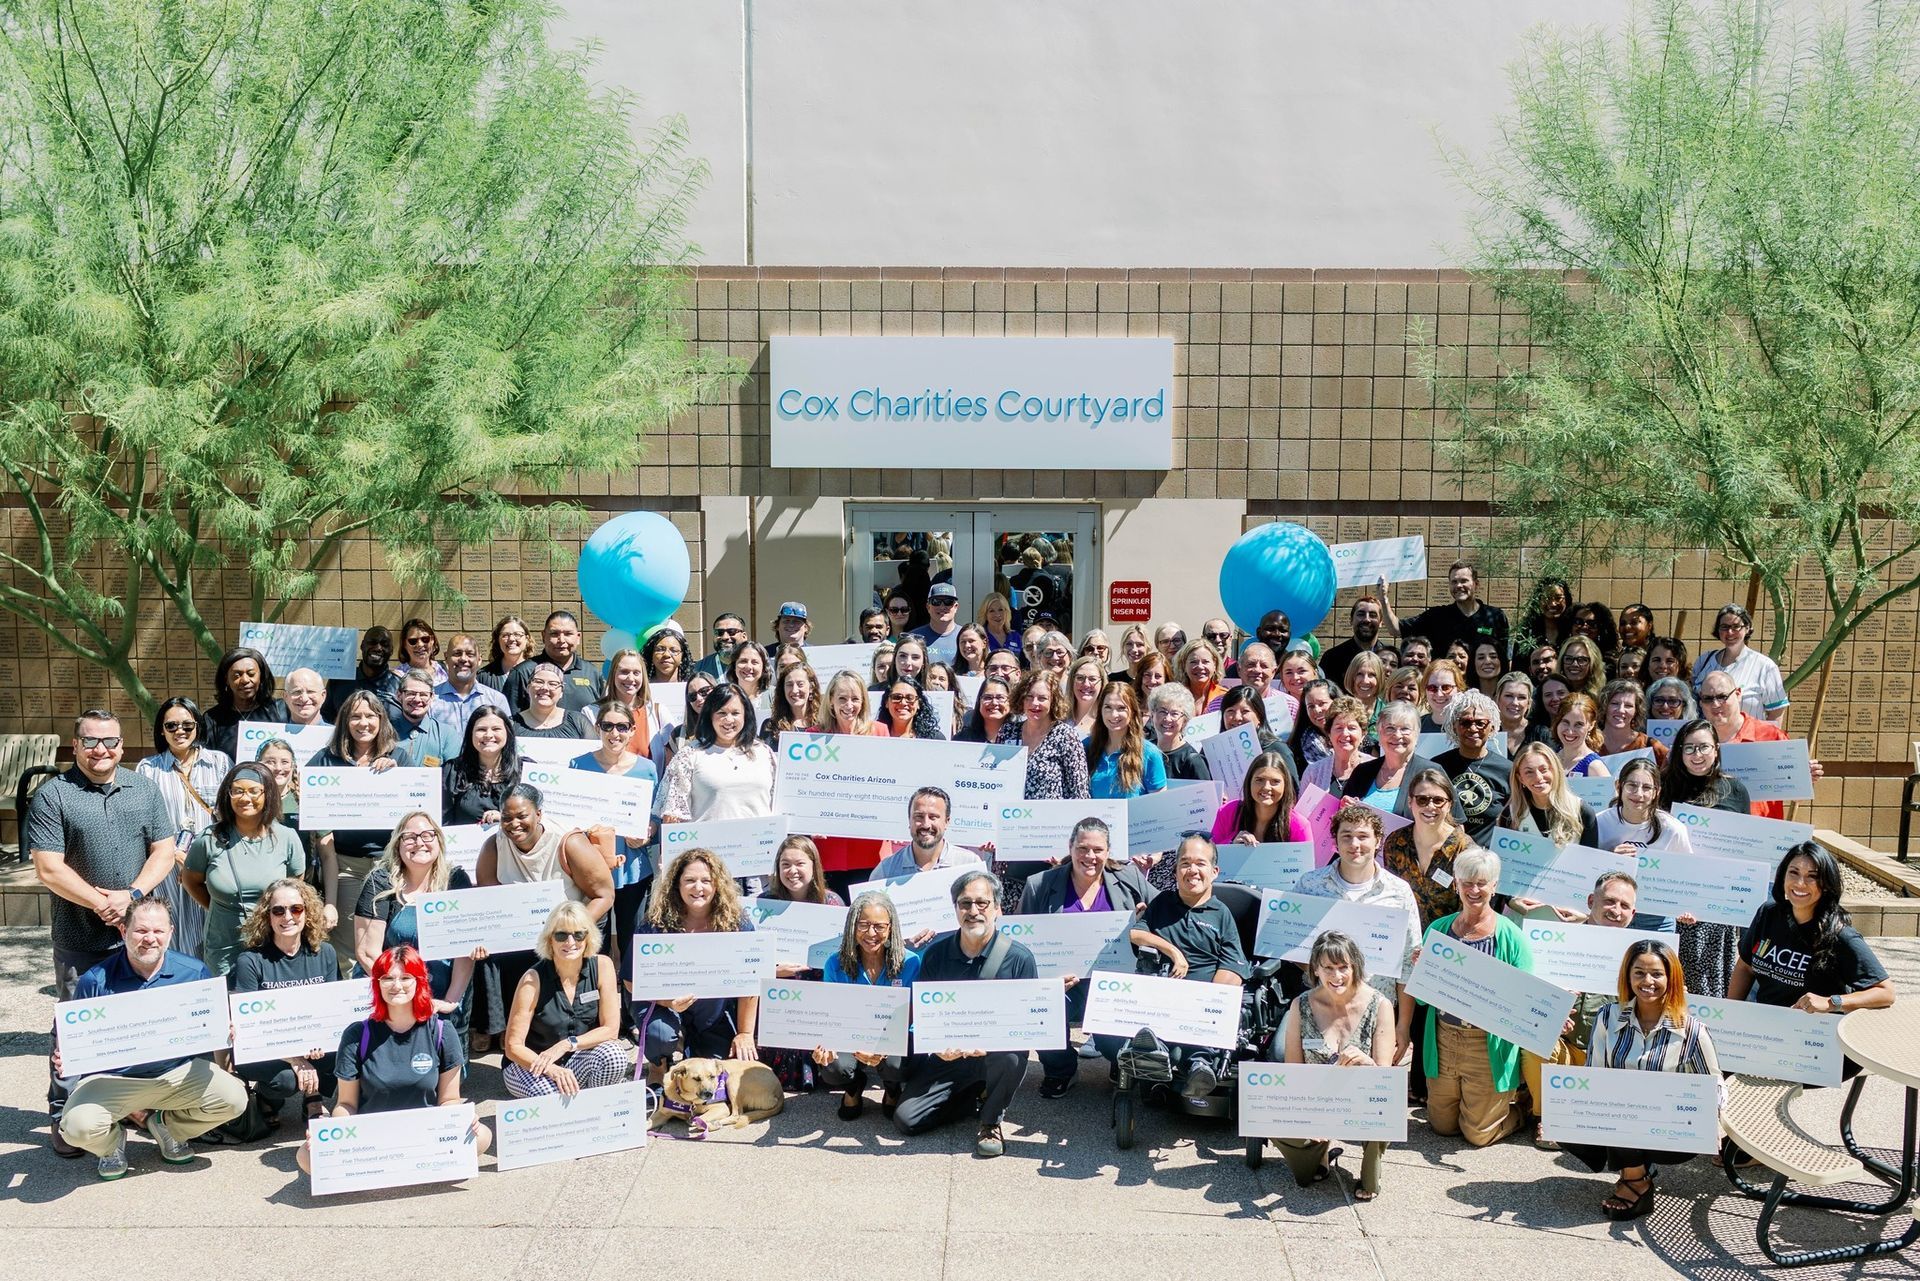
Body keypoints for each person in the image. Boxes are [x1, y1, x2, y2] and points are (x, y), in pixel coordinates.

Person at [29, 706, 179, 1156]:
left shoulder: (143, 788)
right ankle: (63, 1113)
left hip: (139, 936)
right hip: (80, 937)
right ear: (74, 745)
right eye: (92, 741)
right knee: (76, 1027)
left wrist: (130, 897)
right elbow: (48, 869)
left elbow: (165, 852)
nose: (102, 749)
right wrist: (102, 904)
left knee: (141, 1023)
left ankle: (133, 1106)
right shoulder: (53, 795)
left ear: (121, 745)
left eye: (111, 741)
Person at [54, 897, 248, 1178]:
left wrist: (223, 1029)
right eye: (141, 931)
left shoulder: (194, 973)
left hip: (176, 1073)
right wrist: (68, 1056)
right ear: (124, 932)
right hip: (115, 1080)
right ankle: (111, 1145)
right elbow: (74, 1039)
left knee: (233, 1099)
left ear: (171, 933)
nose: (150, 939)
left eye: (158, 931)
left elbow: (210, 1027)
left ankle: (167, 1126)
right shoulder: (95, 980)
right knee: (76, 1128)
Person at [1563, 940, 1721, 1220]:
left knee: (1628, 1108)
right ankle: (1637, 1177)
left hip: (1670, 1129)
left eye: (1657, 974)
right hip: (1619, 1117)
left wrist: (1715, 1122)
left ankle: (1635, 1181)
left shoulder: (1693, 1030)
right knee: (1573, 1117)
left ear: (1671, 978)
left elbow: (1714, 1082)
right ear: (1628, 976)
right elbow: (1594, 1073)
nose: (1647, 981)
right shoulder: (1608, 1017)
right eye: (1639, 973)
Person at [298, 945, 488, 1176]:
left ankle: (404, 1168)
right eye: (387, 978)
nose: (396, 985)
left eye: (406, 977)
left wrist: (461, 1121)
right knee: (306, 1155)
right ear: (377, 983)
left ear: (419, 981)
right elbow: (346, 1104)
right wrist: (334, 1134)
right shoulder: (357, 1035)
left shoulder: (441, 1031)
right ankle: (387, 1169)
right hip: (372, 1137)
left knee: (482, 1136)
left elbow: (448, 1099)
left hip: (423, 1134)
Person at [895, 869, 1038, 1156]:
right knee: (906, 1119)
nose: (973, 911)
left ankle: (990, 1120)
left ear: (997, 908)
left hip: (995, 1056)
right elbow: (925, 1017)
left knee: (1012, 1056)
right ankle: (975, 1097)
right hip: (950, 1056)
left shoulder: (1020, 958)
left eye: (982, 903)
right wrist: (938, 1047)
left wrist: (991, 1045)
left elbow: (1029, 1023)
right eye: (965, 903)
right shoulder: (936, 954)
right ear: (956, 909)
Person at [1019, 817, 1155, 1097]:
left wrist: (1144, 919)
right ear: (1070, 848)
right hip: (1062, 984)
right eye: (1082, 848)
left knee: (1112, 1038)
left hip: (1113, 982)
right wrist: (1045, 978)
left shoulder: (1128, 879)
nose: (1089, 856)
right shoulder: (1040, 884)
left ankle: (1120, 1062)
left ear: (1108, 851)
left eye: (1098, 849)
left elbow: (1163, 910)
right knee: (1041, 1013)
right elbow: (1021, 940)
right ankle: (1061, 1071)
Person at [1263, 930, 1398, 1199]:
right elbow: (1294, 1072)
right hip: (1316, 1096)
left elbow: (1386, 1077)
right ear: (1316, 969)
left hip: (1362, 1097)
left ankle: (1371, 1171)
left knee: (1388, 1107)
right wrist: (1310, 1116)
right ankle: (1318, 1156)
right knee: (1270, 1121)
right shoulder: (1300, 1005)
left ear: (1355, 966)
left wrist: (1368, 1064)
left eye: (1343, 968)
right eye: (1328, 968)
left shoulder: (1379, 1005)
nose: (1336, 977)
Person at [1118, 834, 1248, 1102]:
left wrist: (1206, 1000)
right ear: (1175, 870)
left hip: (1203, 999)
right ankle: (1157, 1061)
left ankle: (1199, 1068)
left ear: (1214, 872)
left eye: (1200, 863)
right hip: (1164, 991)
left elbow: (1233, 968)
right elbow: (1137, 934)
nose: (1192, 871)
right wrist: (1173, 952)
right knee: (1154, 1025)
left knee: (1203, 1029)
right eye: (1185, 863)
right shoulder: (1163, 902)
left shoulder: (1221, 914)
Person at [1418, 845, 1533, 1147]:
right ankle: (1481, 1105)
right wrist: (1422, 972)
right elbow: (1421, 1000)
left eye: (1482, 882)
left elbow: (1524, 998)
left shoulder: (1511, 937)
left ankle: (1522, 1108)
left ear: (1495, 887)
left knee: (1478, 1135)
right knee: (1442, 1127)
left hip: (1485, 1044)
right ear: (1456, 883)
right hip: (1444, 1039)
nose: (1474, 889)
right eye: (1467, 881)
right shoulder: (1438, 930)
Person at [1522, 871, 1644, 1148]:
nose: (1616, 911)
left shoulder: (1642, 956)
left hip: (1612, 1059)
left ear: (1633, 913)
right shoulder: (1557, 944)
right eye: (1610, 902)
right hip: (1567, 1051)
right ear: (1591, 901)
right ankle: (1550, 1116)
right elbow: (1528, 998)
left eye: (1625, 906)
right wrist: (1551, 1006)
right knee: (1535, 1041)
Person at [1729, 843, 1895, 1025]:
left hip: (1813, 1040)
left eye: (1812, 876)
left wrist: (1832, 1002)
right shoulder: (1768, 913)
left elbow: (1885, 992)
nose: (1800, 883)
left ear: (1826, 884)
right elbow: (1745, 966)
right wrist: (1731, 1016)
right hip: (1765, 1031)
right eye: (1794, 872)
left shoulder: (1840, 935)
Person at [353, 812, 478, 1033]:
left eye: (427, 835)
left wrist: (449, 1002)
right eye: (409, 837)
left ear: (439, 841)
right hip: (392, 994)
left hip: (445, 990)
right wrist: (403, 996)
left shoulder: (456, 880)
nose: (419, 842)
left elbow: (464, 948)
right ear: (397, 844)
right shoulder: (380, 882)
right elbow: (367, 953)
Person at [636, 848, 760, 1067]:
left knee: (716, 1067)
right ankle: (659, 1063)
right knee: (660, 1036)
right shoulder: (655, 922)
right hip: (666, 1006)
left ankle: (691, 1042)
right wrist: (668, 1002)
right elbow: (630, 980)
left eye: (706, 880)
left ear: (717, 885)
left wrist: (745, 1033)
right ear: (677, 884)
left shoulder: (737, 923)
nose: (698, 887)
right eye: (690, 880)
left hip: (712, 1012)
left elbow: (751, 978)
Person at [231, 878, 340, 1124]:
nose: (287, 916)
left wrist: (320, 1040)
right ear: (267, 916)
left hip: (314, 1041)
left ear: (308, 912)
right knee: (285, 1081)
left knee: (343, 1050)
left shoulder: (326, 953)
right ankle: (268, 1097)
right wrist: (294, 1057)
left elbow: (333, 1010)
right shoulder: (250, 960)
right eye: (278, 910)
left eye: (296, 909)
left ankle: (314, 1098)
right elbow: (249, 1026)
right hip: (265, 1046)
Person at [181, 762, 305, 975]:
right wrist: (220, 906)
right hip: (224, 943)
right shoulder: (208, 839)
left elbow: (294, 889)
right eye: (237, 791)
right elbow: (190, 880)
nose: (245, 798)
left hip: (273, 941)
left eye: (254, 791)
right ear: (227, 795)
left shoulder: (287, 838)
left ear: (268, 794)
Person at [1293, 808, 1420, 1016]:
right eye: (1347, 836)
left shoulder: (1399, 892)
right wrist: (1329, 976)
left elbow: (1408, 962)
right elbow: (1290, 944)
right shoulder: (1309, 885)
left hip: (1377, 1010)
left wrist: (1403, 1025)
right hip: (1319, 1007)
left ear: (1378, 840)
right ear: (1335, 841)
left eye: (1363, 837)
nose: (1355, 845)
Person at [135, 697, 233, 960]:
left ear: (198, 728)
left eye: (187, 725)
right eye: (172, 726)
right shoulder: (148, 769)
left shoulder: (220, 763)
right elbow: (145, 821)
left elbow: (230, 815)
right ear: (161, 730)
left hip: (212, 863)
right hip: (168, 866)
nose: (180, 731)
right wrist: (175, 855)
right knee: (174, 928)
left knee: (212, 924)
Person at [502, 901, 631, 1098]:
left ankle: (594, 1109)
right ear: (550, 940)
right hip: (532, 1064)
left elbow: (611, 1030)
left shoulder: (603, 966)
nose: (570, 942)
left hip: (577, 1057)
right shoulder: (532, 979)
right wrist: (551, 1070)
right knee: (551, 1094)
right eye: (561, 935)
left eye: (578, 934)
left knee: (614, 1055)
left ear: (588, 938)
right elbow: (513, 1047)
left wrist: (567, 1044)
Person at [811, 890, 921, 1119]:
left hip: (893, 1035)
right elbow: (831, 1014)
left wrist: (881, 1046)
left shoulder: (910, 962)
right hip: (849, 1034)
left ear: (891, 928)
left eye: (879, 926)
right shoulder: (835, 963)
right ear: (852, 926)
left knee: (897, 1064)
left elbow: (911, 1017)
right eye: (863, 925)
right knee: (832, 1066)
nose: (871, 933)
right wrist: (848, 1045)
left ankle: (892, 1090)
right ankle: (853, 1087)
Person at [1662, 719, 1752, 995]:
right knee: (1673, 976)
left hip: (1716, 900)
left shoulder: (1735, 789)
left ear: (1716, 750)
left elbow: (1745, 847)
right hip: (1675, 896)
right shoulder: (1664, 786)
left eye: (1703, 747)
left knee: (1709, 978)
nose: (1697, 755)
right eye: (1689, 748)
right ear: (1678, 751)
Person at [309, 690, 399, 959]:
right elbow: (306, 798)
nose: (364, 723)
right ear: (344, 722)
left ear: (381, 720)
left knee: (391, 943)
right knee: (349, 947)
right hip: (347, 866)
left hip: (391, 865)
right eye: (356, 716)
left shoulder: (399, 758)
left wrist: (397, 774)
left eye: (371, 716)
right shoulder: (326, 759)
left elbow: (417, 808)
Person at [573, 700, 660, 961]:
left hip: (633, 868)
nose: (615, 733)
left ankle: (631, 1000)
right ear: (598, 728)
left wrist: (648, 832)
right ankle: (593, 999)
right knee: (591, 942)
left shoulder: (647, 769)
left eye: (622, 727)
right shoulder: (578, 766)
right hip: (591, 869)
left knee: (631, 940)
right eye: (608, 726)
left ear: (632, 730)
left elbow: (654, 815)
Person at [1699, 669, 1822, 821]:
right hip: (1711, 834)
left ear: (1738, 694)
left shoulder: (1771, 735)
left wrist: (1803, 779)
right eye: (1708, 699)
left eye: (1722, 696)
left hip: (1760, 836)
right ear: (1701, 703)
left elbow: (1797, 797)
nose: (1715, 704)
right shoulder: (1694, 741)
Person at [1502, 744, 1601, 923]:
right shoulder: (1511, 814)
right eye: (1529, 772)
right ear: (1520, 778)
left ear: (1555, 770)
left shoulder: (1582, 812)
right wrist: (1511, 900)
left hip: (1566, 917)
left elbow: (1591, 870)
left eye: (1543, 769)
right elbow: (1502, 869)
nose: (1538, 777)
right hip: (1521, 915)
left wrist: (1585, 913)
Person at [1596, 758, 1694, 934]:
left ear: (1657, 792)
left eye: (1647, 788)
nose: (1638, 794)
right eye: (1632, 785)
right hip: (1609, 913)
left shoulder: (1673, 829)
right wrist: (1609, 860)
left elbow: (1687, 876)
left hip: (1656, 918)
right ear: (1619, 786)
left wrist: (1686, 908)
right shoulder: (1599, 822)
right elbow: (1586, 871)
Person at [1379, 561, 1510, 663]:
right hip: (1445, 690)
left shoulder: (1495, 616)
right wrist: (1383, 598)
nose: (1458, 586)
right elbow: (1395, 629)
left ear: (1476, 584)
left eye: (1464, 581)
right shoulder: (1437, 617)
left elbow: (1504, 659)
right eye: (1454, 582)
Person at [1432, 691, 1510, 847]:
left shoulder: (1508, 770)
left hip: (1487, 859)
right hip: (1444, 854)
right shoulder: (1437, 767)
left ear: (1492, 726)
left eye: (1481, 723)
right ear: (1454, 726)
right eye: (1465, 722)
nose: (1473, 728)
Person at [1692, 603, 1789, 725]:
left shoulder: (1765, 666)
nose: (1730, 632)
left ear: (1747, 628)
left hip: (1747, 741)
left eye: (1736, 626)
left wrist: (1770, 740)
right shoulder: (1703, 661)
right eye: (1724, 627)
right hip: (1707, 741)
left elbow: (1777, 711)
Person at [501, 610, 604, 714]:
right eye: (554, 634)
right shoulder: (523, 673)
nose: (561, 640)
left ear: (578, 638)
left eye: (568, 634)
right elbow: (509, 720)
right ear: (543, 636)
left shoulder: (592, 672)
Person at [1341, 701, 1432, 818]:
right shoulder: (1363, 772)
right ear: (1379, 733)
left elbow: (1454, 825)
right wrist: (1344, 809)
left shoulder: (1430, 772)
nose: (1397, 735)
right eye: (1390, 728)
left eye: (1405, 729)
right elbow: (1343, 820)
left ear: (1417, 734)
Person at [871, 787, 985, 880]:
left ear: (947, 822)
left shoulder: (970, 865)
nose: (926, 824)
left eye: (933, 817)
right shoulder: (885, 871)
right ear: (909, 820)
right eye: (919, 816)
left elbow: (990, 907)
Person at [441, 707, 521, 828]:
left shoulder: (525, 771)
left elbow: (538, 818)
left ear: (508, 733)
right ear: (471, 734)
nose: (488, 735)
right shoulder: (452, 771)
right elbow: (442, 820)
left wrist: (506, 818)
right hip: (465, 845)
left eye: (496, 729)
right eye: (481, 729)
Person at [1088, 681, 1167, 801]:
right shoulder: (1086, 747)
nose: (1114, 715)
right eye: (1108, 707)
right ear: (1100, 711)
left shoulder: (1150, 753)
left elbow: (1159, 805)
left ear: (1133, 712)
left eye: (1121, 708)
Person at [205, 647, 287, 760]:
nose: (245, 680)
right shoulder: (212, 719)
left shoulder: (280, 710)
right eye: (237, 675)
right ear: (226, 679)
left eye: (251, 674)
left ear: (261, 676)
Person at [430, 634, 510, 735]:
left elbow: (507, 740)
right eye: (457, 653)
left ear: (479, 659)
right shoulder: (430, 699)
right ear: (446, 657)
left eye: (470, 654)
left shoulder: (496, 700)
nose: (463, 659)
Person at [1301, 696, 1375, 798]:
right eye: (1339, 728)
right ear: (1329, 733)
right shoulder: (1314, 772)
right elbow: (1300, 813)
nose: (1345, 733)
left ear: (1363, 734)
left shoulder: (1376, 769)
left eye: (1351, 728)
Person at [324, 626, 402, 719]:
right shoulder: (339, 682)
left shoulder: (400, 685)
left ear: (391, 650)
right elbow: (325, 719)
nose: (377, 648)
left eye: (384, 644)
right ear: (362, 646)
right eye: (372, 642)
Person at [389, 668, 460, 768]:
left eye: (423, 695)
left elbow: (454, 775)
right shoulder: (386, 731)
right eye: (411, 693)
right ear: (399, 695)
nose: (417, 699)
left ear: (432, 698)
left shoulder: (447, 735)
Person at [1320, 596, 1387, 696]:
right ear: (1351, 620)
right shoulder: (1332, 658)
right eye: (1361, 614)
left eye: (1373, 615)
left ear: (1381, 622)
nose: (1367, 619)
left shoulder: (1389, 658)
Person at [512, 662, 598, 739]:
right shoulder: (511, 724)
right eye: (539, 682)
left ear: (561, 692)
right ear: (528, 688)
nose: (545, 688)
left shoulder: (578, 722)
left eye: (553, 684)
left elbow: (594, 752)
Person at [1147, 684, 1212, 785]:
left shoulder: (1193, 760)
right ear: (1152, 715)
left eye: (1174, 714)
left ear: (1185, 721)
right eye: (1162, 712)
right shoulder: (1143, 752)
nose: (1168, 719)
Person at [1597, 678, 1668, 768]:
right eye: (1614, 703)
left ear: (1636, 711)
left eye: (1628, 706)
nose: (1621, 710)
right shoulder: (1588, 743)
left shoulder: (1649, 745)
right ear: (1604, 706)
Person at [601, 648, 659, 749]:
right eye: (624, 672)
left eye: (636, 673)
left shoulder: (657, 712)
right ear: (613, 674)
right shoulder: (592, 712)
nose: (631, 678)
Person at [1549, 693, 1608, 779]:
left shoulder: (1594, 766)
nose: (1570, 731)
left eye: (1578, 724)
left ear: (1591, 726)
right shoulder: (1551, 759)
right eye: (1565, 722)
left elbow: (1610, 792)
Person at [908, 581, 963, 664]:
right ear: (928, 607)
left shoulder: (966, 636)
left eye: (948, 602)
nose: (942, 607)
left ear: (956, 607)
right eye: (936, 602)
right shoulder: (913, 637)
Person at [1290, 679, 1338, 773]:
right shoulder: (1298, 749)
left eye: (1322, 703)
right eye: (1311, 706)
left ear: (1336, 702)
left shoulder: (1355, 739)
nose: (1317, 710)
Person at [1518, 576, 1574, 650]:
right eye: (1546, 598)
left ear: (1567, 599)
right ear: (1538, 601)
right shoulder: (1525, 634)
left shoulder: (1574, 631)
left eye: (1558, 598)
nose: (1553, 604)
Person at [479, 616, 533, 692]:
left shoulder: (537, 672)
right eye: (505, 635)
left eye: (517, 634)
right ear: (498, 640)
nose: (511, 639)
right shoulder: (483, 676)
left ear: (527, 639)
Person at [957, 674, 1014, 743]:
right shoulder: (962, 739)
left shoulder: (1021, 736)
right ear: (979, 702)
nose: (994, 703)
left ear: (1010, 701)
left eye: (1000, 697)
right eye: (988, 697)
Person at [1173, 638, 1226, 714]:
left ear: (1214, 664)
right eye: (1193, 662)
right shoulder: (1173, 697)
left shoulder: (1225, 697)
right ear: (1183, 665)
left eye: (1205, 662)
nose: (1200, 667)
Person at [398, 618, 448, 685]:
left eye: (425, 639)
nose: (420, 644)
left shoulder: (445, 670)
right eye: (413, 641)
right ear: (404, 644)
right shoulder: (398, 676)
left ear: (432, 640)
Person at [1418, 659, 1463, 733]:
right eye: (1432, 688)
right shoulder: (1416, 727)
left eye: (1446, 687)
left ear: (1458, 689)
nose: (1439, 694)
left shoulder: (1469, 727)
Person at [281, 668, 328, 733]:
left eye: (310, 691)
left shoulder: (337, 737)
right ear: (285, 697)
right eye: (297, 692)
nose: (304, 698)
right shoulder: (274, 737)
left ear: (323, 696)